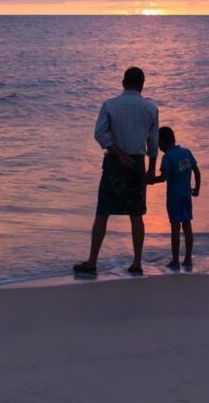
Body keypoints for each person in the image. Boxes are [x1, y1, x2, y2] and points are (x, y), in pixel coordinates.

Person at [73, 66, 158, 276]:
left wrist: (119, 154)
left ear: (123, 83)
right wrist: (151, 171)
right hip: (137, 162)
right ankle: (137, 263)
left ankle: (92, 262)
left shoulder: (110, 104)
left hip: (114, 162)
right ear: (142, 84)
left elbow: (100, 133)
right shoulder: (150, 108)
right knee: (136, 213)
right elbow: (153, 144)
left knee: (103, 212)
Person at [150, 126, 201, 269]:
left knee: (175, 229)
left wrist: (150, 180)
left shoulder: (168, 157)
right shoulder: (186, 152)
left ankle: (175, 261)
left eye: (159, 144)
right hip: (186, 196)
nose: (159, 147)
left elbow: (163, 178)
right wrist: (196, 189)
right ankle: (188, 259)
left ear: (163, 143)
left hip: (173, 198)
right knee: (187, 226)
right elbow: (197, 172)